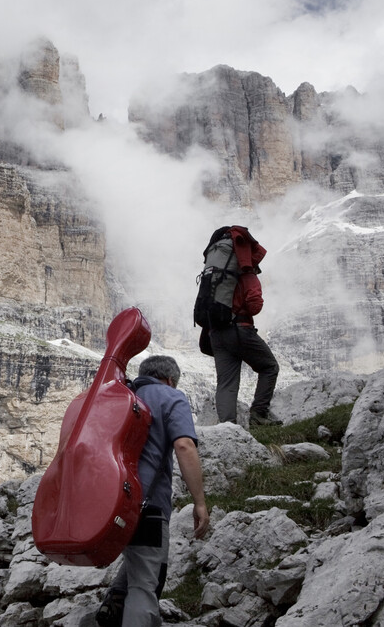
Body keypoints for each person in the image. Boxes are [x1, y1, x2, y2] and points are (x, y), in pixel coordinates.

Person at [96, 355, 209, 627]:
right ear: (170, 380)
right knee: (147, 583)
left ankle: (115, 599)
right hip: (147, 506)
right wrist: (200, 502)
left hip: (106, 502)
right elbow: (184, 446)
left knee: (139, 561)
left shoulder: (120, 396)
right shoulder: (171, 397)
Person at [203, 225, 281, 427]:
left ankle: (228, 428)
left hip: (215, 332)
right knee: (269, 367)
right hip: (240, 330)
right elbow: (254, 306)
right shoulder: (246, 274)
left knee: (226, 383)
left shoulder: (214, 275)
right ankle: (258, 414)